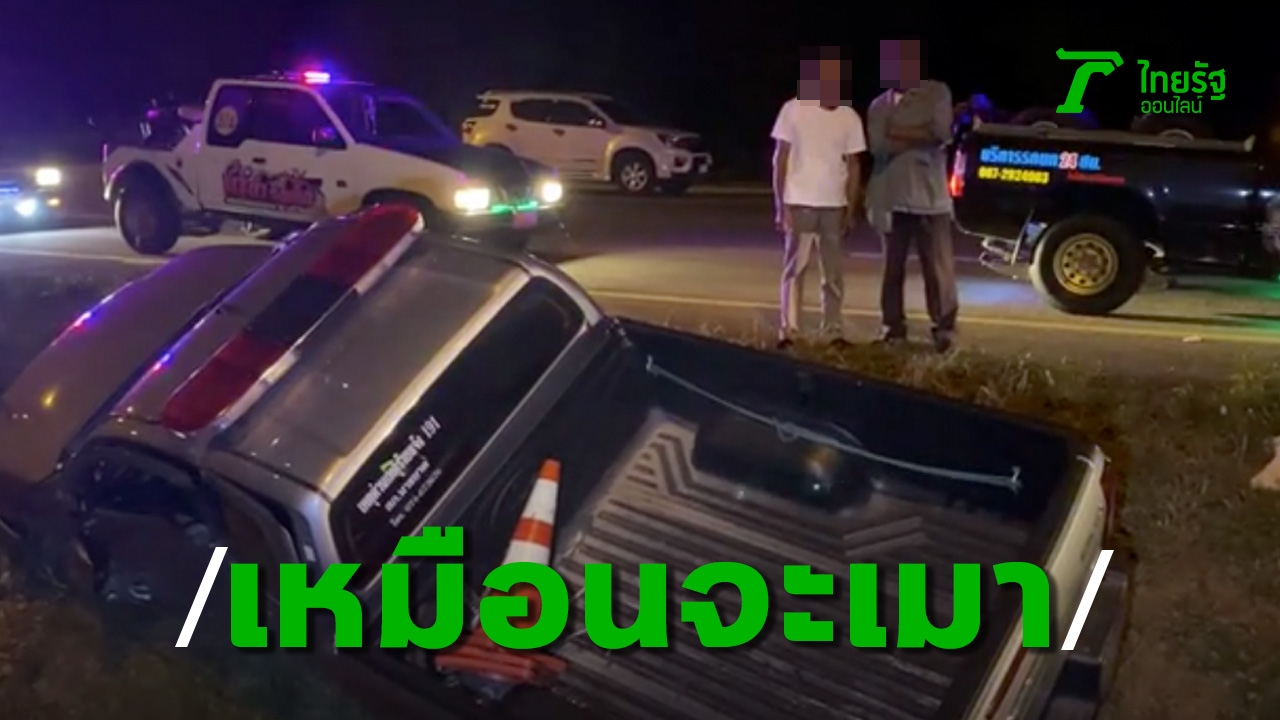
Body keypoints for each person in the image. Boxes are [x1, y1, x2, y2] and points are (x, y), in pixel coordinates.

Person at [866, 39, 959, 353]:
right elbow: (878, 146)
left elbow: (941, 133)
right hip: (890, 198)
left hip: (930, 200)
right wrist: (919, 134)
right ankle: (893, 328)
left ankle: (944, 329)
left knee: (938, 271)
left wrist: (897, 131)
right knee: (892, 270)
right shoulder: (879, 105)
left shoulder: (936, 92)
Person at [770, 47, 866, 350]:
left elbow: (854, 165)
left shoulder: (849, 117)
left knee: (833, 273)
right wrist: (780, 205)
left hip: (833, 206)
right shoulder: (794, 109)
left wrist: (851, 208)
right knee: (795, 269)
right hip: (799, 203)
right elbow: (780, 158)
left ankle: (833, 330)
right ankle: (789, 330)